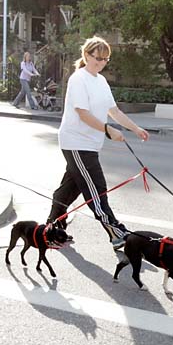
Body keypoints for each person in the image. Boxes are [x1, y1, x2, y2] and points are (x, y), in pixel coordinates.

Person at [46, 36, 149, 250]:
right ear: (86, 55)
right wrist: (107, 129)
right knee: (96, 188)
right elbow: (82, 114)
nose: (101, 63)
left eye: (105, 59)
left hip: (90, 143)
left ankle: (52, 230)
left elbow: (114, 111)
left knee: (68, 189)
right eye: (97, 58)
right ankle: (115, 232)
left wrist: (135, 128)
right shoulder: (78, 79)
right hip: (76, 142)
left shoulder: (100, 81)